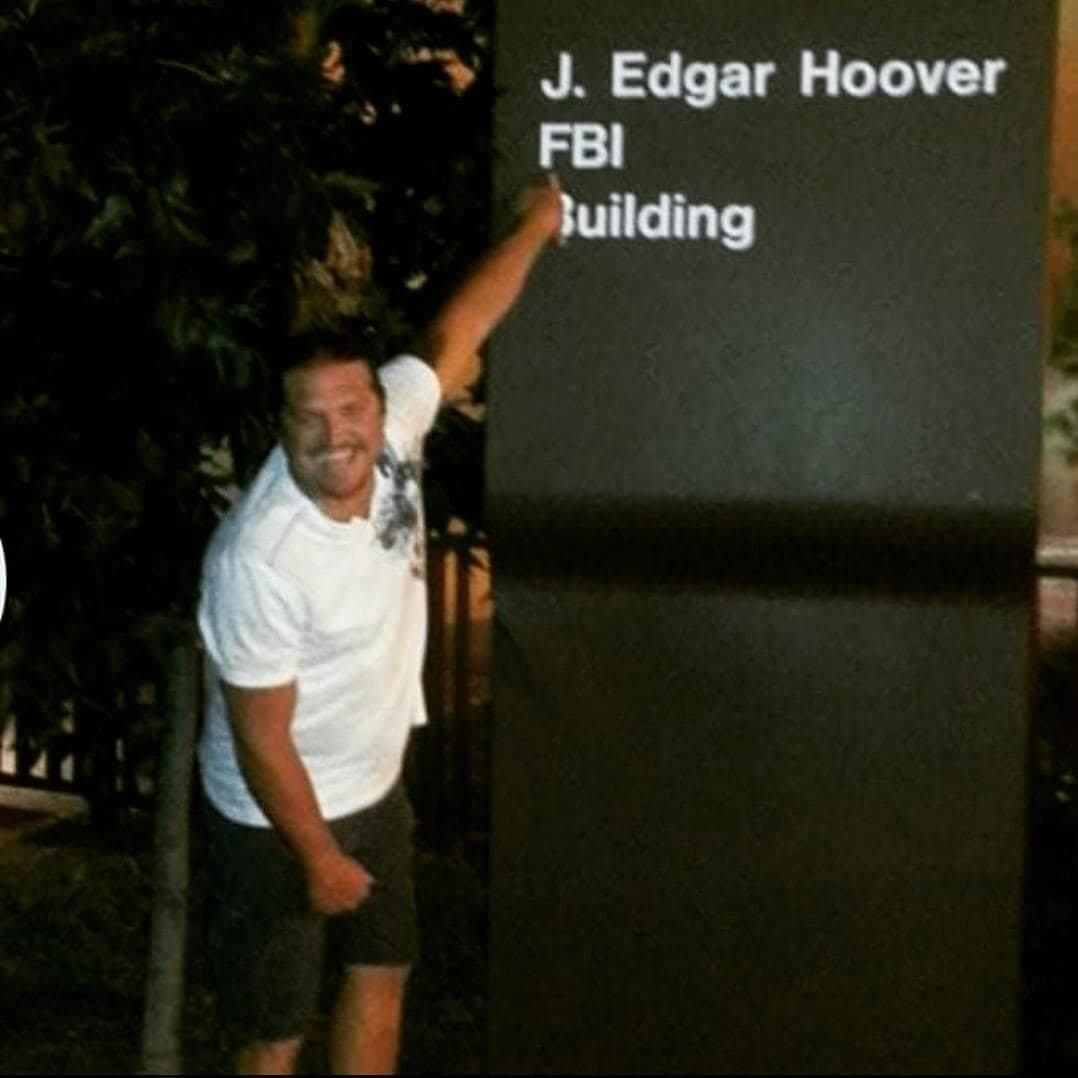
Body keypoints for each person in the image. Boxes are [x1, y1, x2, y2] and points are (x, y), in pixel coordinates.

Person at [195, 176, 562, 1075]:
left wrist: (536, 225)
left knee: (381, 973)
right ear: (281, 428)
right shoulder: (261, 558)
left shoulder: (395, 428)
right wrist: (317, 857)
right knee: (274, 1032)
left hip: (373, 787)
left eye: (351, 408)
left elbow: (458, 328)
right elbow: (262, 741)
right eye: (310, 418)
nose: (337, 435)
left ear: (377, 403)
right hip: (274, 819)